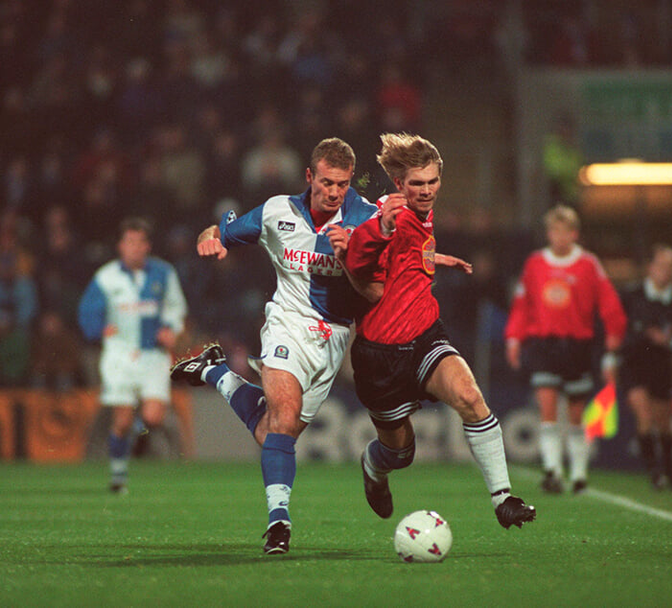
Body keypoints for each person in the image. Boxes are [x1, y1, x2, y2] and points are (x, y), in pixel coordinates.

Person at [170, 138, 379, 554]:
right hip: (287, 324)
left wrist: (355, 256)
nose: (333, 192)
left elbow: (382, 283)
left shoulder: (366, 219)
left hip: (334, 339)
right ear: (310, 176)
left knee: (271, 433)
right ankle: (279, 522)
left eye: (341, 184)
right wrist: (210, 237)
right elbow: (219, 231)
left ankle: (215, 371)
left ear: (351, 180)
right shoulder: (276, 211)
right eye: (326, 182)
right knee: (282, 418)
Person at [337, 133, 536, 530]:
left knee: (470, 397)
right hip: (380, 354)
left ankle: (503, 499)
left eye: (432, 181)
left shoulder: (421, 213)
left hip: (425, 335)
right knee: (401, 453)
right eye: (417, 183)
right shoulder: (387, 215)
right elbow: (357, 259)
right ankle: (373, 466)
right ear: (399, 183)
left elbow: (407, 253)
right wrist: (383, 228)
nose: (427, 190)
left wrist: (435, 258)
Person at [505, 204, 627, 494]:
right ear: (548, 234)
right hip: (544, 345)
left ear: (574, 234)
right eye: (554, 231)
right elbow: (523, 304)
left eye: (565, 231)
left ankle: (579, 474)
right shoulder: (535, 263)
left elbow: (609, 302)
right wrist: (514, 338)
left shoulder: (588, 264)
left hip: (577, 346)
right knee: (547, 408)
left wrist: (614, 333)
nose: (559, 237)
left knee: (575, 415)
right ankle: (552, 471)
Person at [78, 217, 187, 493]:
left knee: (153, 418)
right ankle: (118, 475)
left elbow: (175, 307)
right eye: (130, 242)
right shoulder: (106, 277)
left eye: (140, 242)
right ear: (120, 246)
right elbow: (87, 310)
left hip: (153, 355)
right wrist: (98, 329)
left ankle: (137, 440)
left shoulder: (164, 273)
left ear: (147, 246)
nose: (135, 248)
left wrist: (171, 328)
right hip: (120, 354)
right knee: (122, 420)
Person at [619, 244, 672, 490]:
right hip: (633, 363)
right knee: (643, 413)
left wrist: (670, 341)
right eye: (661, 265)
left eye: (671, 266)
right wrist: (638, 338)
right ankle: (654, 471)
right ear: (651, 267)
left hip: (660, 365)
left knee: (663, 420)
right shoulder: (632, 295)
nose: (666, 271)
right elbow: (615, 327)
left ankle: (669, 466)